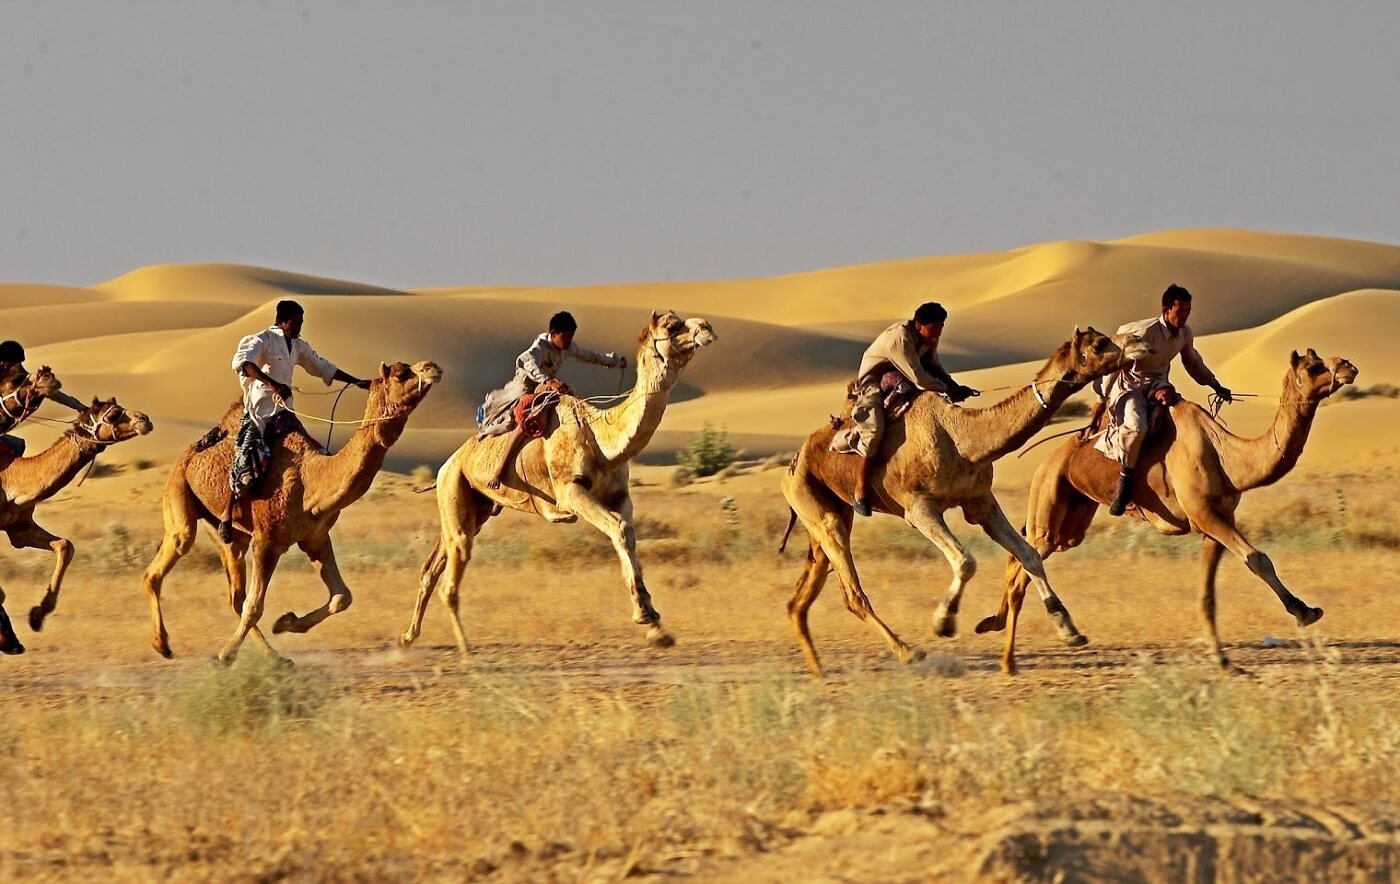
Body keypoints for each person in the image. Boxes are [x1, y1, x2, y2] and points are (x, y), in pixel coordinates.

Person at [218, 300, 370, 542]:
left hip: (284, 411)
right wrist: (273, 384)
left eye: (301, 322)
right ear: (282, 321)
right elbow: (243, 364)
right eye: (295, 322)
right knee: (246, 458)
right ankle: (227, 514)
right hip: (259, 410)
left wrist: (356, 381)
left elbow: (322, 367)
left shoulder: (298, 346)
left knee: (314, 450)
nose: (299, 326)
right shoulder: (263, 340)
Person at [1095, 283, 1232, 516]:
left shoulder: (1185, 333)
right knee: (1137, 428)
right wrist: (1101, 399)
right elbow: (1115, 364)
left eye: (1188, 311)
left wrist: (1215, 385)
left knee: (1189, 417)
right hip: (1131, 388)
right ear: (1166, 309)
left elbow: (1193, 363)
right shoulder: (1144, 333)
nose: (1185, 316)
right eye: (1181, 311)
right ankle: (1125, 484)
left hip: (1159, 384)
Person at [836, 302, 978, 517]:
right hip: (873, 379)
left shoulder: (928, 339)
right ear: (920, 325)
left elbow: (934, 368)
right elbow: (920, 376)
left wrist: (955, 387)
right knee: (874, 429)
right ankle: (860, 490)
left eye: (941, 327)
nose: (938, 333)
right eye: (935, 327)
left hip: (902, 376)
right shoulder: (900, 339)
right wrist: (947, 388)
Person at [477, 310, 626, 488]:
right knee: (521, 424)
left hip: (546, 388)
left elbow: (590, 356)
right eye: (566, 337)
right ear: (554, 334)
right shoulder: (540, 346)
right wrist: (549, 381)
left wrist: (614, 362)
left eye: (571, 337)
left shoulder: (567, 347)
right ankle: (500, 472)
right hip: (523, 390)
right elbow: (525, 361)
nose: (569, 341)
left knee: (573, 398)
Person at [0, 339, 88, 457]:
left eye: (3, 361)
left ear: (9, 362)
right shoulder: (7, 377)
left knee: (18, 445)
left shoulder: (25, 382)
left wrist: (80, 407)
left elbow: (54, 393)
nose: (1, 363)